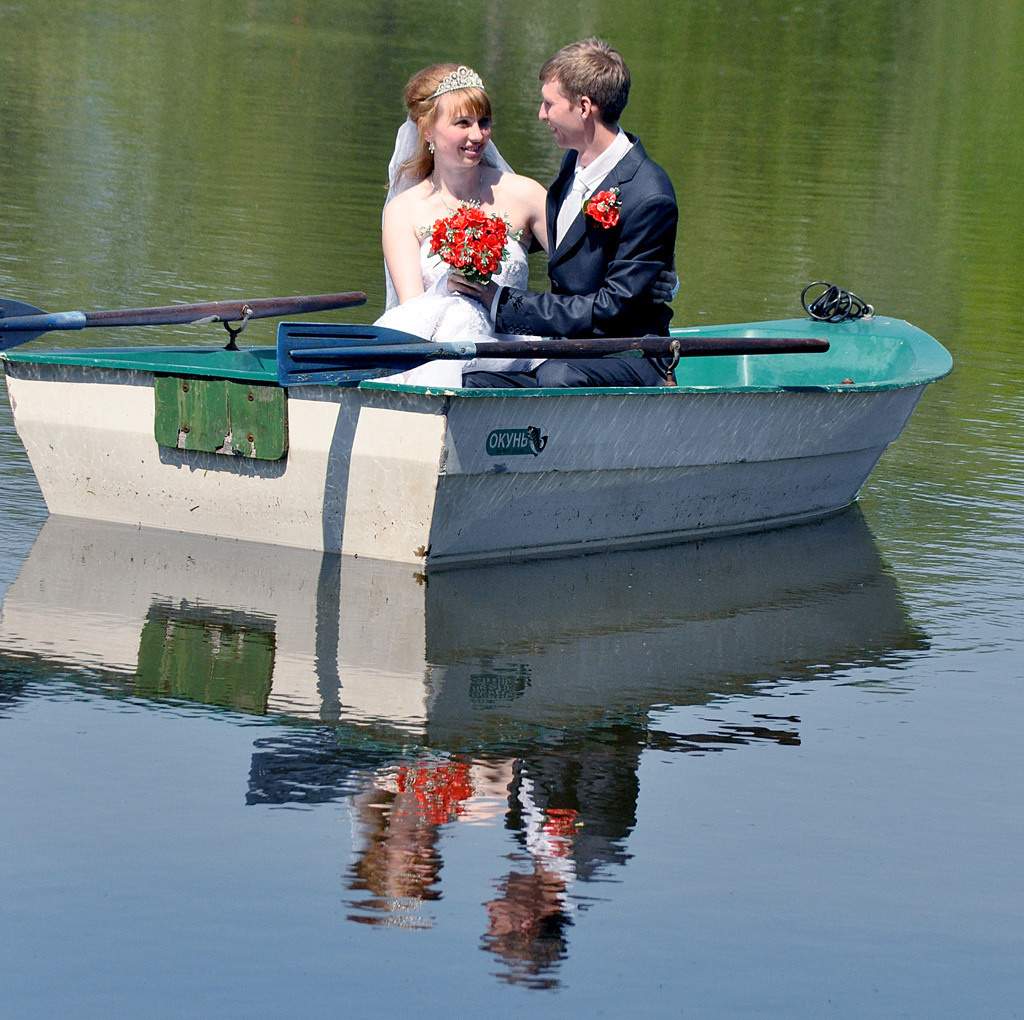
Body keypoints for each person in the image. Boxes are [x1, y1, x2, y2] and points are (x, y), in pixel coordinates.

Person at [451, 39, 679, 388]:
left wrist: (501, 301)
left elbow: (608, 310)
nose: (542, 115)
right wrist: (477, 244)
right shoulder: (573, 159)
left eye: (549, 104)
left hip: (624, 356)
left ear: (584, 107)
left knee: (556, 375)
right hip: (565, 352)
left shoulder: (650, 196)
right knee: (469, 378)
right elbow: (569, 241)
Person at [373, 62, 550, 387]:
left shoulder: (524, 194)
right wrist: (447, 287)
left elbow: (582, 263)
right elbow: (413, 312)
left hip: (508, 348)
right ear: (427, 129)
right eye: (462, 123)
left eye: (483, 122)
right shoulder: (403, 211)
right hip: (436, 347)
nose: (476, 135)